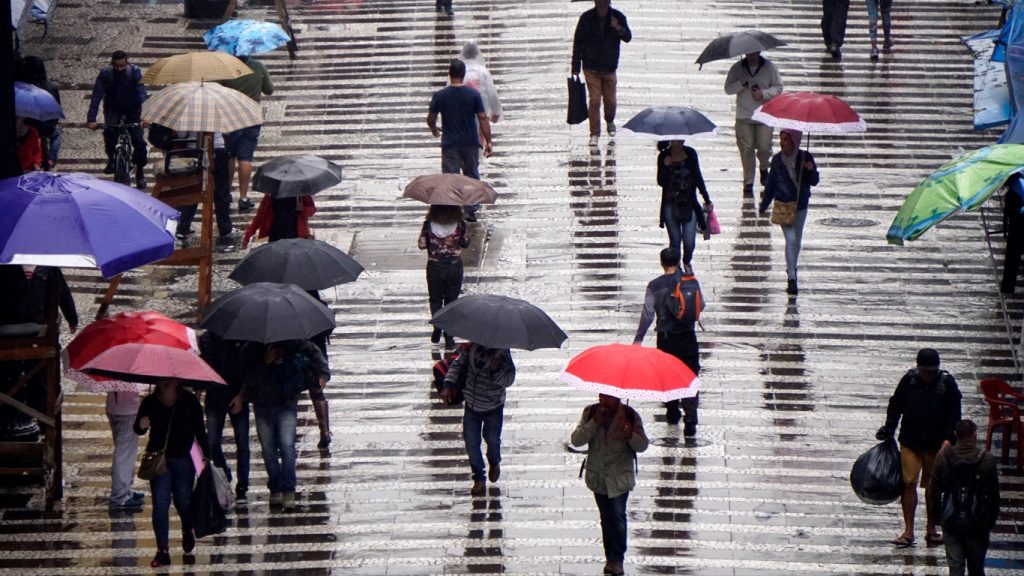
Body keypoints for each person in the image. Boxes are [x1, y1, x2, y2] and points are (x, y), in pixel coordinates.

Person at [876, 348, 962, 548]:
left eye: (930, 371)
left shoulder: (947, 383)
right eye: (924, 371)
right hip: (910, 441)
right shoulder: (909, 380)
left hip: (935, 445)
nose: (927, 375)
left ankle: (931, 529)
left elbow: (955, 413)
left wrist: (949, 438)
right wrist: (889, 427)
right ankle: (909, 531)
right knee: (908, 484)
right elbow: (896, 404)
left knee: (933, 488)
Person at [236, 340, 329, 510]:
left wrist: (323, 374)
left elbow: (312, 350)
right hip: (262, 405)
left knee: (287, 445)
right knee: (268, 449)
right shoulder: (251, 348)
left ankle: (288, 490)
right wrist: (265, 362)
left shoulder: (290, 342)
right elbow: (248, 378)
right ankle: (275, 487)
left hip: (286, 402)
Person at [570, 394, 649, 576]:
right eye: (601, 396)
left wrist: (630, 435)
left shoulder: (630, 415)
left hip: (619, 478)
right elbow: (576, 440)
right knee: (606, 519)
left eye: (608, 397)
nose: (603, 401)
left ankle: (617, 559)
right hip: (598, 477)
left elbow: (642, 445)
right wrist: (594, 423)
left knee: (618, 517)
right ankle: (610, 558)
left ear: (617, 397)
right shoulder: (591, 412)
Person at [134, 379, 209, 568]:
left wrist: (206, 457)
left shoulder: (189, 401)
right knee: (160, 503)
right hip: (159, 461)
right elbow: (137, 429)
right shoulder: (150, 402)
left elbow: (200, 430)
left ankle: (187, 527)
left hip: (184, 459)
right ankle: (162, 550)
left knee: (183, 500)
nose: (166, 382)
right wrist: (141, 424)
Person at [633, 247, 705, 436]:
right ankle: (691, 418)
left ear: (661, 262)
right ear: (678, 261)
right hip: (688, 336)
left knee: (668, 375)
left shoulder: (654, 286)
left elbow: (648, 314)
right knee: (690, 376)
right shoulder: (690, 281)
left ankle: (672, 411)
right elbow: (702, 305)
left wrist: (639, 338)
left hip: (666, 339)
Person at [441, 342, 515, 496]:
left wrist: (497, 369)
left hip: (494, 406)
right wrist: (448, 384)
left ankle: (494, 461)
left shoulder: (502, 353)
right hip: (472, 404)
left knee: (492, 439)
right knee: (471, 442)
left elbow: (509, 379)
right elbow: (457, 364)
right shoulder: (470, 348)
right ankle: (479, 477)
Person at [928, 420, 1000, 576]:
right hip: (978, 523)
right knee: (976, 568)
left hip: (951, 520)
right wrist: (990, 521)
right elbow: (994, 494)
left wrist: (936, 517)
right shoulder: (987, 459)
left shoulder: (943, 456)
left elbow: (933, 490)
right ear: (975, 435)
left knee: (955, 567)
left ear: (956, 435)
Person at [427, 59, 493, 221]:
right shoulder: (473, 95)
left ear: (449, 74)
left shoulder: (440, 96)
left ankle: (453, 210)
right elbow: (483, 118)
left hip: (450, 145)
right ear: (463, 75)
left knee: (450, 178)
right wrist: (489, 141)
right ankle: (471, 210)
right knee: (471, 176)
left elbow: (431, 118)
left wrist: (434, 130)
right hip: (470, 143)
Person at [757, 129, 819, 296]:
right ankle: (792, 277)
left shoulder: (805, 157)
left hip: (800, 206)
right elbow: (771, 184)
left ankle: (792, 267)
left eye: (786, 139)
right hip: (783, 206)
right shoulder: (777, 160)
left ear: (794, 141)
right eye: (781, 138)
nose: (782, 142)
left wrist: (810, 170)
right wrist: (764, 205)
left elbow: (814, 181)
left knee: (796, 241)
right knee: (791, 240)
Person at [198, 331, 250, 503]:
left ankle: (242, 486)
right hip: (215, 398)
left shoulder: (242, 337)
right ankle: (224, 473)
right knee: (212, 443)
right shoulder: (206, 340)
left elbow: (248, 370)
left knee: (242, 443)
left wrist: (241, 396)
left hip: (237, 396)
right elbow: (202, 368)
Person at [571, 0, 632, 146]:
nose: (602, 3)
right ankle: (594, 133)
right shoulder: (586, 18)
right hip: (591, 67)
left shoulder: (617, 17)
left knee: (610, 101)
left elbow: (628, 37)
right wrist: (575, 66)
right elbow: (578, 42)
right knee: (594, 100)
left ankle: (609, 120)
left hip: (609, 67)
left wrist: (618, 27)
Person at [218, 55, 273, 212]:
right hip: (252, 117)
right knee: (245, 157)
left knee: (230, 156)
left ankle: (226, 194)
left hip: (231, 116)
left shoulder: (226, 68)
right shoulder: (258, 66)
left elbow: (218, 90)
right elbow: (269, 90)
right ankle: (243, 198)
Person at [87, 50, 149, 190]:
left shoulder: (134, 72)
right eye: (117, 66)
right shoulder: (105, 74)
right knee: (110, 131)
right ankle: (111, 158)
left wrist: (145, 116)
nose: (120, 69)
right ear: (112, 64)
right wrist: (91, 119)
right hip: (113, 107)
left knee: (139, 140)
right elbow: (97, 95)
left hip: (133, 108)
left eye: (122, 66)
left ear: (127, 63)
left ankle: (140, 171)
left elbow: (141, 93)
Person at [724, 51, 783, 196]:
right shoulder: (737, 68)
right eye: (748, 54)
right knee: (746, 148)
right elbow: (728, 89)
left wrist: (763, 94)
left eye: (754, 53)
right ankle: (748, 180)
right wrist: (740, 84)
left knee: (764, 146)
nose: (751, 56)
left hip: (765, 115)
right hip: (744, 116)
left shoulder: (770, 67)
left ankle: (764, 167)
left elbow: (778, 87)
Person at [418, 205, 470, 348]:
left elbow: (421, 244)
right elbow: (465, 243)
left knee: (435, 299)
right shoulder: (460, 224)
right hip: (454, 266)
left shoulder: (428, 224)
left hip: (434, 266)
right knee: (451, 301)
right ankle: (449, 336)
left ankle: (437, 325)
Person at [656, 140, 712, 274]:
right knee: (675, 241)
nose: (679, 141)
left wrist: (706, 198)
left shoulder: (690, 153)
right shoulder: (663, 156)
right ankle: (676, 268)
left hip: (689, 204)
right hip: (670, 204)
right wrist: (666, 166)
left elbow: (698, 176)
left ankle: (687, 261)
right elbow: (661, 181)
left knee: (689, 241)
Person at [16, 56, 62, 170]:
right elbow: (56, 107)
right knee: (57, 136)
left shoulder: (23, 88)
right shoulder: (51, 87)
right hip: (45, 125)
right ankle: (51, 159)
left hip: (30, 124)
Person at [106, 391, 144, 511]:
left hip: (113, 408)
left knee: (124, 452)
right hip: (127, 410)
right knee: (124, 455)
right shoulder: (129, 380)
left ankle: (126, 490)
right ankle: (120, 496)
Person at [242, 195, 317, 248]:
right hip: (276, 233)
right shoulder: (271, 195)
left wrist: (303, 209)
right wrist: (249, 234)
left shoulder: (300, 194)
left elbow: (312, 209)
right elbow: (260, 215)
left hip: (296, 234)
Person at [458, 42, 503, 125]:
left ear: (463, 54)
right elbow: (492, 93)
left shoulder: (457, 71)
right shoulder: (483, 72)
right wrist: (496, 112)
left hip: (461, 114)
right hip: (481, 113)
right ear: (477, 53)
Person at [1001, 175, 1023, 294]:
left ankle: (1008, 286)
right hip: (1018, 219)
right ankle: (1008, 286)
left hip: (1018, 220)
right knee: (1013, 252)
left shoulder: (1015, 180)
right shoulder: (1017, 181)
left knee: (1013, 252)